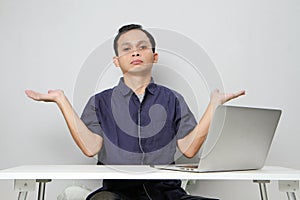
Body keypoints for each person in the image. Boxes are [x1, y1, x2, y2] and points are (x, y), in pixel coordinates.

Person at [25, 24, 245, 200]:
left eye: (142, 47)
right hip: (118, 193)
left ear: (154, 56)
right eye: (126, 49)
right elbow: (90, 147)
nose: (135, 52)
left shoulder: (173, 99)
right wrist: (62, 101)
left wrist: (213, 106)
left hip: (167, 194)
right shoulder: (99, 102)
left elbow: (189, 149)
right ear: (116, 61)